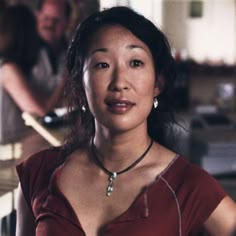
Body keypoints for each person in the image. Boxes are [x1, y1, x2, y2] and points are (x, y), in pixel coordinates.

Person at [16, 6, 236, 236]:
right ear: (80, 85)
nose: (120, 82)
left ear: (157, 83)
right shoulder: (38, 173)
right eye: (102, 64)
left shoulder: (187, 184)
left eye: (136, 63)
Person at [0, 4, 64, 144]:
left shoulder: (13, 66)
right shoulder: (8, 69)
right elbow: (41, 112)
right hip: (8, 149)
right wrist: (64, 81)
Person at [35, 0, 71, 75]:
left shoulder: (73, 54)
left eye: (56, 20)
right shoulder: (22, 51)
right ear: (37, 16)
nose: (50, 24)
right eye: (46, 18)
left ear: (67, 22)